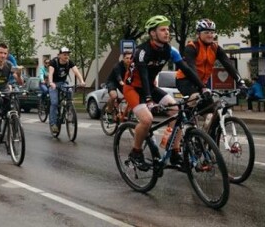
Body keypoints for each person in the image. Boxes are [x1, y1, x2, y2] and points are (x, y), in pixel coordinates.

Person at [124, 15, 195, 169]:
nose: (167, 33)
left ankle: (174, 152)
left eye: (168, 30)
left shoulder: (170, 50)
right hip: (133, 88)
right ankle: (136, 152)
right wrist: (149, 100)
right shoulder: (142, 51)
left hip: (150, 86)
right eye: (162, 30)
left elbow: (186, 70)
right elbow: (142, 74)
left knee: (176, 110)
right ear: (152, 33)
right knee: (147, 120)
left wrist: (202, 88)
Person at [176, 18, 245, 104]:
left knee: (210, 112)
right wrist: (202, 87)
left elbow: (228, 64)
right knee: (195, 98)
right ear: (198, 34)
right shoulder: (191, 47)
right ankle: (185, 115)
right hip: (185, 80)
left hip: (202, 83)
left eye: (212, 32)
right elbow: (191, 68)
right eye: (206, 32)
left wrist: (240, 82)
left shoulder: (215, 48)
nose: (210, 35)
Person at [47, 47, 86, 136]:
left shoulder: (69, 62)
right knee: (54, 102)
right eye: (64, 54)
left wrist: (82, 81)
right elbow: (50, 73)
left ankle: (69, 108)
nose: (66, 56)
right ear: (60, 55)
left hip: (63, 83)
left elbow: (76, 72)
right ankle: (53, 124)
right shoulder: (54, 62)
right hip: (54, 83)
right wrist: (51, 82)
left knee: (69, 92)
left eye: (68, 54)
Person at [105, 51, 131, 117]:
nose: (129, 60)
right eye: (127, 58)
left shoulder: (132, 66)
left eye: (130, 58)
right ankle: (109, 110)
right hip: (112, 81)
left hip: (122, 83)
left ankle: (123, 112)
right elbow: (118, 76)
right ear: (123, 59)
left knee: (131, 96)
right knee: (113, 96)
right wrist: (121, 82)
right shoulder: (117, 66)